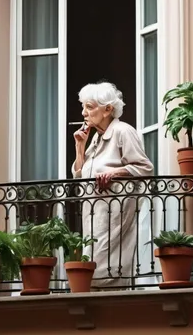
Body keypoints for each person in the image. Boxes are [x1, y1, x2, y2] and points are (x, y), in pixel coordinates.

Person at [72, 82, 153, 289]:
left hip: (115, 215)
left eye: (89, 107)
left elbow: (145, 168)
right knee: (92, 263)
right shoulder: (96, 139)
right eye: (83, 107)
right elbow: (80, 176)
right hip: (94, 214)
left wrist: (114, 173)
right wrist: (80, 148)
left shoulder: (123, 131)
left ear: (108, 109)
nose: (84, 113)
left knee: (108, 267)